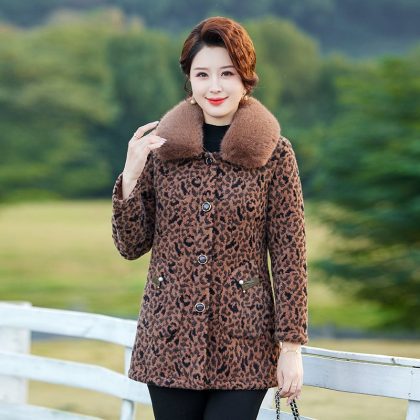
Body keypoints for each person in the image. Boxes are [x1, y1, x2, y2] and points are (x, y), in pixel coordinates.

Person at [111, 16, 309, 420]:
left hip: (244, 340)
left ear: (246, 79)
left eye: (227, 73)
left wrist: (291, 348)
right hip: (169, 337)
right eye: (202, 74)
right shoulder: (160, 150)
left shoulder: (275, 153)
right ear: (190, 80)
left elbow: (290, 256)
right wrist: (130, 175)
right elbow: (130, 246)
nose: (214, 86)